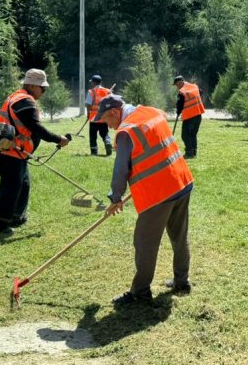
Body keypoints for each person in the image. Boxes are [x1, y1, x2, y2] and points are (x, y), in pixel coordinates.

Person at [94, 94, 194, 304]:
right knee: (179, 235)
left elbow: (121, 169)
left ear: (114, 112)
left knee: (145, 242)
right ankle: (182, 282)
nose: (108, 126)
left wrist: (116, 196)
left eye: (106, 121)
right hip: (182, 180)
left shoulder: (126, 132)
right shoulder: (151, 111)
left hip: (159, 192)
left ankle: (140, 292)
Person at [0, 69, 69, 233]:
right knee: (11, 187)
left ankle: (17, 217)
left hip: (14, 150)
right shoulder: (25, 101)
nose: (43, 91)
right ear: (31, 85)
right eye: (41, 88)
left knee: (23, 184)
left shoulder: (17, 96)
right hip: (11, 150)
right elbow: (35, 128)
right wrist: (58, 139)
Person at [173, 75, 205, 159]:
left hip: (189, 117)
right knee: (193, 134)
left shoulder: (182, 91)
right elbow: (200, 93)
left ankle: (189, 152)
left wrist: (178, 112)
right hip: (198, 115)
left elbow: (179, 104)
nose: (177, 87)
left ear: (181, 82)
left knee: (185, 135)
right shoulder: (194, 86)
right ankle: (194, 151)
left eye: (177, 85)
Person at [85, 74, 113, 156]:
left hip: (94, 118)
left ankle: (94, 152)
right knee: (104, 133)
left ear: (94, 83)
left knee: (93, 136)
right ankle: (107, 142)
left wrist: (88, 114)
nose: (91, 84)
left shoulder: (91, 92)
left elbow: (89, 104)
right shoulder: (107, 91)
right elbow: (111, 103)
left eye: (92, 82)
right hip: (104, 117)